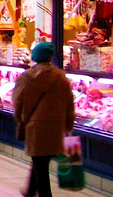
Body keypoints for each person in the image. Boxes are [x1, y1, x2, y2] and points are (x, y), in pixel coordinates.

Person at [13, 42, 75, 197]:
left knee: (40, 166)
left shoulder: (26, 77)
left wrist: (20, 120)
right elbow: (69, 103)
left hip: (35, 127)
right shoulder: (61, 77)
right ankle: (30, 192)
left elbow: (17, 102)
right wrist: (68, 124)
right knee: (41, 162)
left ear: (35, 57)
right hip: (55, 127)